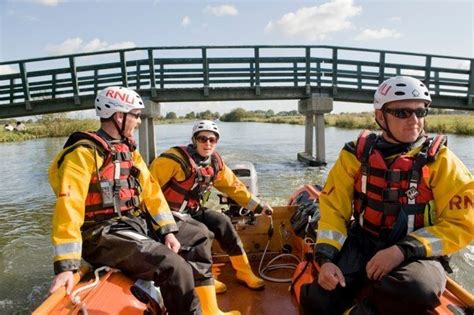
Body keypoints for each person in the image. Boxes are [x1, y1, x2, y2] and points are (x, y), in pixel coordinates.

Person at [299, 76, 474, 315]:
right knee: (318, 300)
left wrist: (400, 250)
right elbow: (333, 210)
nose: (414, 121)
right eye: (402, 113)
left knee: (418, 289)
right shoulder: (354, 155)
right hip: (363, 242)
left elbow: (462, 224)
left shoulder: (441, 162)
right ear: (380, 116)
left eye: (421, 112)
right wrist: (326, 259)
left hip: (416, 253)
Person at [48, 86, 202, 315]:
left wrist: (168, 231)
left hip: (130, 224)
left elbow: (151, 192)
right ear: (119, 116)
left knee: (199, 234)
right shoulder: (82, 153)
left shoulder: (128, 150)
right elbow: (68, 206)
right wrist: (66, 266)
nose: (139, 122)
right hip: (101, 234)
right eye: (136, 116)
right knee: (176, 267)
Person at [149, 120, 273, 313]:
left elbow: (234, 187)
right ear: (194, 140)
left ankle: (244, 272)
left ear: (217, 142)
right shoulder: (172, 161)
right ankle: (209, 307)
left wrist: (258, 207)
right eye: (202, 138)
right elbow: (149, 190)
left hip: (192, 210)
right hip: (168, 214)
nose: (207, 143)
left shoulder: (215, 163)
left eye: (212, 139)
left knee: (222, 222)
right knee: (201, 234)